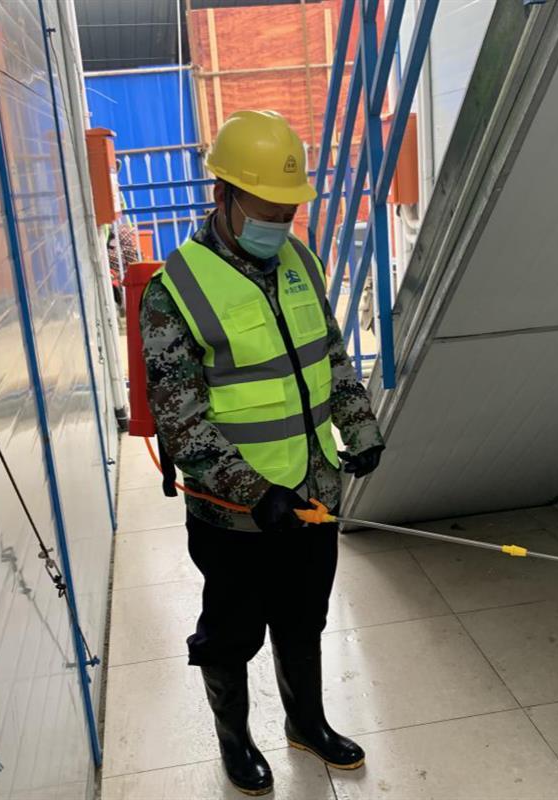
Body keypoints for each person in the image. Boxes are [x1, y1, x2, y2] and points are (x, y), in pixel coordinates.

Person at [141, 110, 384, 796]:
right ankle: (235, 741)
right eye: (267, 207)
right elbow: (183, 425)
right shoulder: (174, 292)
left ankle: (306, 723)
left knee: (304, 618)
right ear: (224, 194)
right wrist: (255, 492)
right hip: (235, 516)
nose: (280, 221)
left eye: (288, 209)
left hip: (312, 494)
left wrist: (360, 427)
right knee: (232, 632)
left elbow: (330, 355)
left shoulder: (300, 261)